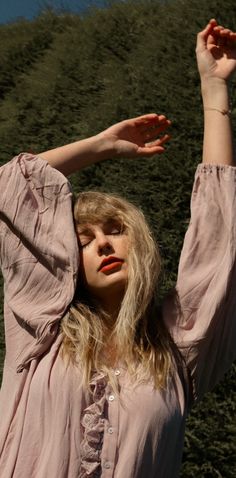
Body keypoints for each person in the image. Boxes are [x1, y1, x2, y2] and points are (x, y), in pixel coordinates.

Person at [0, 19, 236, 478]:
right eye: (83, 240)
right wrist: (100, 145)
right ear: (67, 262)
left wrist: (214, 91)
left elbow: (219, 237)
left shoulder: (177, 351)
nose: (103, 243)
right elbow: (11, 188)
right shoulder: (40, 332)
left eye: (115, 229)